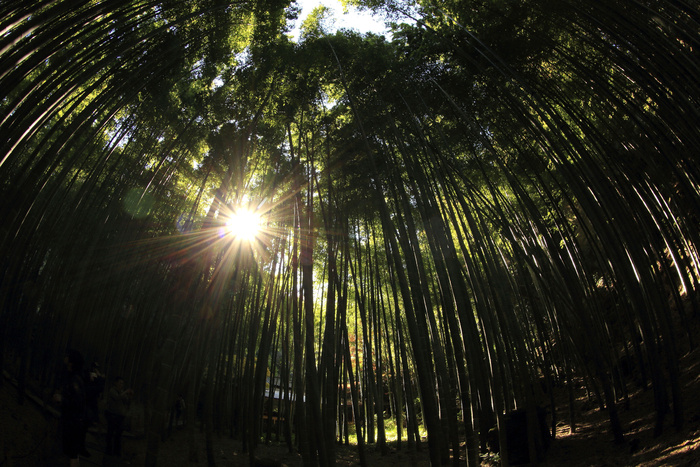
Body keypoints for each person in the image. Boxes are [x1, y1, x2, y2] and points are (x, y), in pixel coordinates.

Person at [54, 349, 86, 467]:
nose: (65, 358)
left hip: (73, 422)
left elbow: (77, 403)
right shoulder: (73, 377)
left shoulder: (75, 380)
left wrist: (62, 399)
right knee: (72, 453)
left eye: (68, 356)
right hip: (72, 421)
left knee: (72, 453)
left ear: (71, 362)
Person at [104, 376, 133, 457]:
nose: (121, 385)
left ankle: (116, 452)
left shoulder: (122, 391)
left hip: (120, 416)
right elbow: (117, 397)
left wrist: (130, 397)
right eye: (120, 383)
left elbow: (127, 402)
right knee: (110, 433)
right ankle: (108, 450)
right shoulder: (112, 390)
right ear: (115, 383)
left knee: (118, 434)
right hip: (112, 415)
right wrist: (125, 392)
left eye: (122, 383)